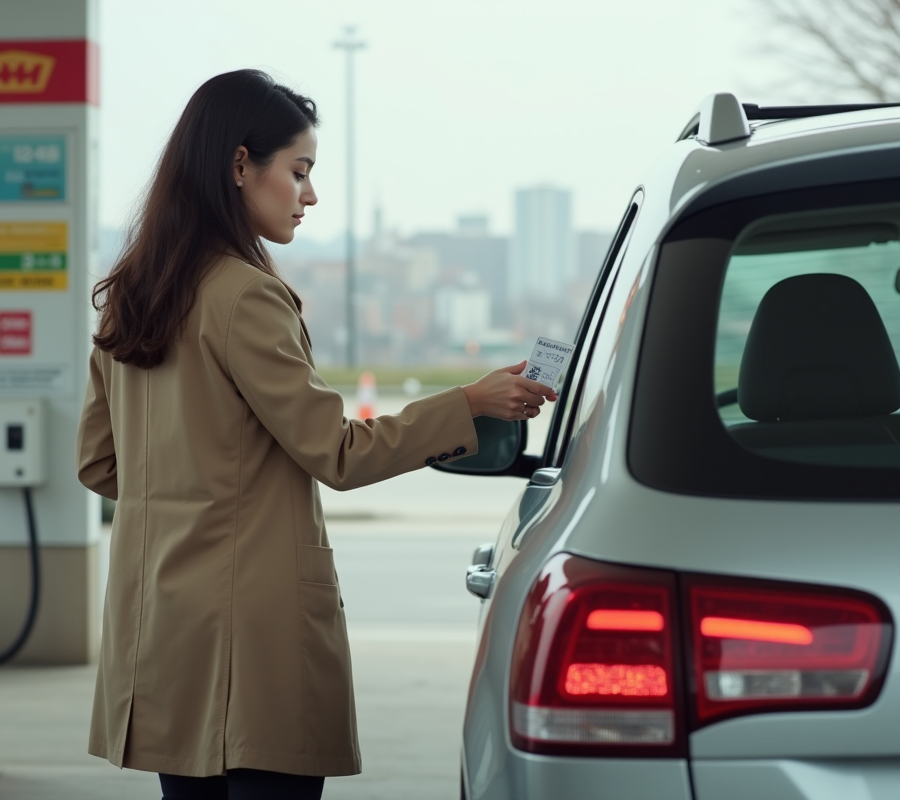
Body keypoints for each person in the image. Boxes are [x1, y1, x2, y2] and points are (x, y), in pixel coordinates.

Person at [76, 69, 556, 800]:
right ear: (241, 165)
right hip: (253, 641)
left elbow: (100, 463)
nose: (310, 194)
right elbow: (336, 452)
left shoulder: (135, 292)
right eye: (298, 172)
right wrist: (469, 402)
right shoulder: (245, 295)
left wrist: (199, 485)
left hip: (164, 632)